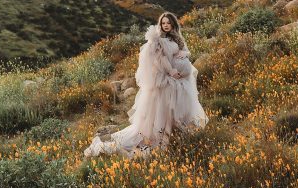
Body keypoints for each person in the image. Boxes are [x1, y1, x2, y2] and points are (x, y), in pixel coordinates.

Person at [84, 12, 208, 158]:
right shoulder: (157, 40)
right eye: (163, 23)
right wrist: (172, 71)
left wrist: (184, 54)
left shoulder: (176, 38)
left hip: (178, 80)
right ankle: (161, 137)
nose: (166, 25)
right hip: (165, 79)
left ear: (173, 23)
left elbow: (185, 50)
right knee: (164, 110)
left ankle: (176, 134)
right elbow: (160, 59)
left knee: (177, 109)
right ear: (160, 25)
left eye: (168, 23)